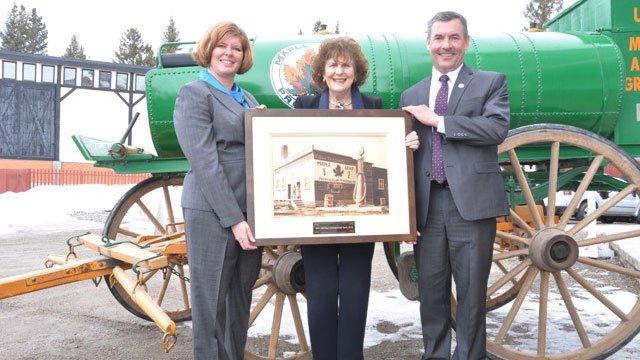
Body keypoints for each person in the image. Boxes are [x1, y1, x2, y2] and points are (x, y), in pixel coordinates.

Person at [293, 36, 419, 360]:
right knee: (320, 297)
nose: (339, 71)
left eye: (346, 65)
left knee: (354, 295)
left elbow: (387, 151)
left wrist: (406, 142)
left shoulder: (373, 106)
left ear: (356, 70)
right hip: (314, 228)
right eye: (332, 64)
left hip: (360, 225)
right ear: (322, 71)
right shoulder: (304, 107)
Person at [400, 11, 510, 360]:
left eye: (454, 37)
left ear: (466, 41)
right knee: (431, 298)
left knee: (471, 297)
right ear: (428, 43)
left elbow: (495, 129)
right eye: (439, 38)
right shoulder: (412, 92)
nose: (446, 45)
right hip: (428, 210)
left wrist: (439, 121)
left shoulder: (490, 82)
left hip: (472, 208)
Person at [173, 22, 262, 360]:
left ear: (243, 56)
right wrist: (235, 220)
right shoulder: (194, 94)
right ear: (209, 51)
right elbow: (205, 162)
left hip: (251, 212)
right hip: (213, 210)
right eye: (222, 47)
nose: (229, 53)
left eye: (237, 48)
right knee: (210, 303)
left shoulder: (248, 98)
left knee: (240, 299)